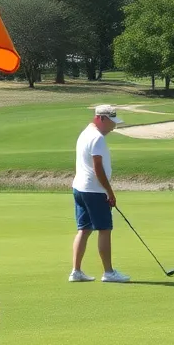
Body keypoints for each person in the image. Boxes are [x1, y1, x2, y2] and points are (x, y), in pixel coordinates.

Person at [69, 104, 129, 283]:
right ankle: (109, 272)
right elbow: (98, 169)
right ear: (101, 118)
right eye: (111, 122)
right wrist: (109, 192)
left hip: (80, 188)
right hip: (94, 191)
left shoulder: (85, 133)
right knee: (104, 229)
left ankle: (76, 271)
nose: (113, 126)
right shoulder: (97, 138)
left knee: (84, 229)